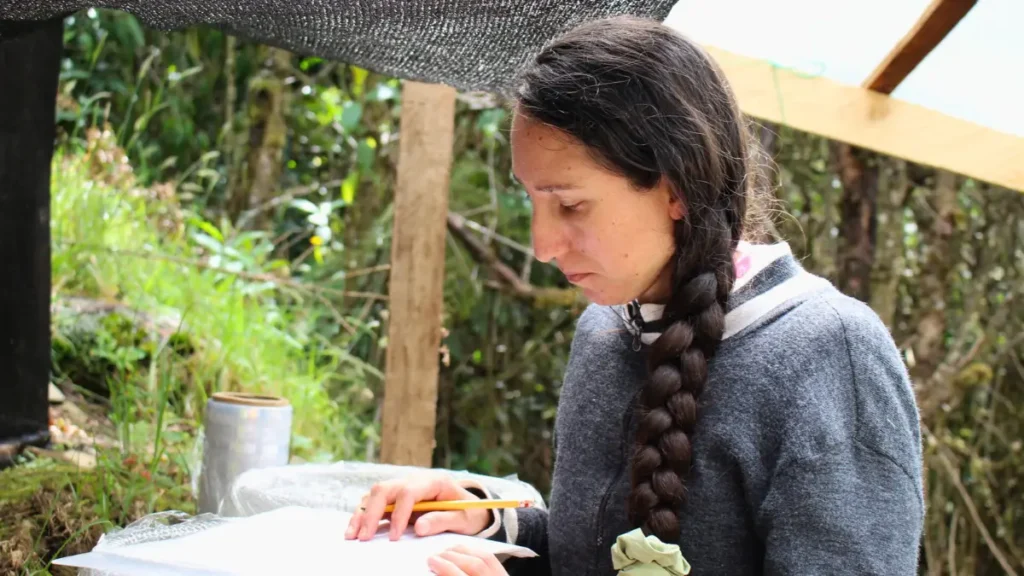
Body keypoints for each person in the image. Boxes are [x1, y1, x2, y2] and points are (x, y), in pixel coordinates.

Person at [345, 15, 924, 576]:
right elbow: (599, 559)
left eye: (570, 205)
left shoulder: (830, 357)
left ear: (676, 185)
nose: (542, 245)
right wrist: (487, 517)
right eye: (531, 200)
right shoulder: (605, 330)